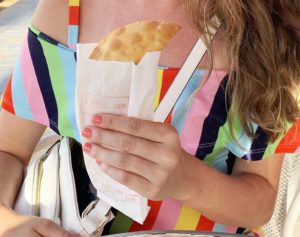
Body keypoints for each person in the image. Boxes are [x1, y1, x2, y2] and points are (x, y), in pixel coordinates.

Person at [0, 0, 299, 236]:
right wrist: (7, 224)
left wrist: (189, 181)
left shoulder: (268, 27)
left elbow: (261, 201)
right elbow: (8, 150)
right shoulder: (62, 15)